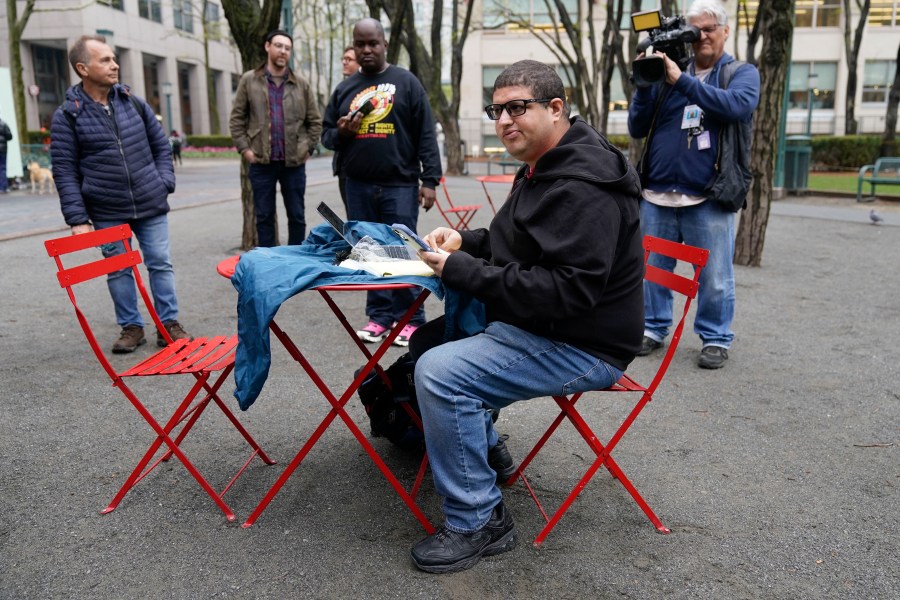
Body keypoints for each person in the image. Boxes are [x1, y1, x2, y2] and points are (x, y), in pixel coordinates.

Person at [406, 60, 645, 573]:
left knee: (441, 373)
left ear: (556, 109)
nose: (505, 120)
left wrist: (463, 272)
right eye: (498, 110)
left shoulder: (584, 185)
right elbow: (514, 245)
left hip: (585, 343)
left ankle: (478, 521)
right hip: (548, 325)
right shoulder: (544, 163)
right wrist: (465, 242)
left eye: (519, 107)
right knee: (427, 344)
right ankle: (486, 455)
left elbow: (568, 292)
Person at [628, 0, 760, 370]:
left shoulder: (740, 73)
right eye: (694, 30)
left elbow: (735, 107)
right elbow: (637, 128)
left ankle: (716, 337)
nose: (700, 37)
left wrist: (679, 79)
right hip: (657, 195)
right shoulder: (668, 74)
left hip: (708, 196)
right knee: (652, 271)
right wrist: (644, 85)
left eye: (708, 29)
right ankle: (653, 328)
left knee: (716, 276)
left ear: (725, 31)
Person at [50, 35, 191, 353]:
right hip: (106, 207)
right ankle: (132, 327)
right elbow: (65, 170)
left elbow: (160, 146)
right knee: (118, 268)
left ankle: (168, 324)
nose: (114, 65)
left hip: (150, 200)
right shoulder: (67, 115)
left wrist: (163, 181)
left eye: (114, 59)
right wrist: (77, 217)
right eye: (105, 60)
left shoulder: (133, 102)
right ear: (83, 68)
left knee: (160, 263)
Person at [322, 18, 442, 348]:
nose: (366, 50)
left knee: (402, 250)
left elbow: (426, 133)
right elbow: (327, 136)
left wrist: (429, 179)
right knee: (368, 251)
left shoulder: (407, 82)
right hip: (357, 184)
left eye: (372, 43)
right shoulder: (344, 89)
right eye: (360, 44)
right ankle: (379, 317)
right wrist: (342, 132)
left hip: (400, 184)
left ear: (384, 44)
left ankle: (411, 320)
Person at [229, 30, 323, 247]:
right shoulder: (249, 80)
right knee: (263, 217)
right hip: (261, 163)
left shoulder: (301, 84)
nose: (283, 51)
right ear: (267, 46)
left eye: (287, 48)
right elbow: (236, 120)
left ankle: (296, 263)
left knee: (297, 216)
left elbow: (315, 121)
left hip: (294, 163)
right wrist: (246, 150)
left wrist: (307, 149)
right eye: (279, 46)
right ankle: (269, 265)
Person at [332, 45, 360, 214]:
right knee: (355, 222)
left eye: (349, 59)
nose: (344, 62)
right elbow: (327, 133)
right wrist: (341, 131)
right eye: (343, 59)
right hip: (346, 169)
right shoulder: (340, 92)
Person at [0, 115, 12, 193]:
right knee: (3, 168)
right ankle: (3, 187)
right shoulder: (4, 124)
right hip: (2, 150)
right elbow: (10, 136)